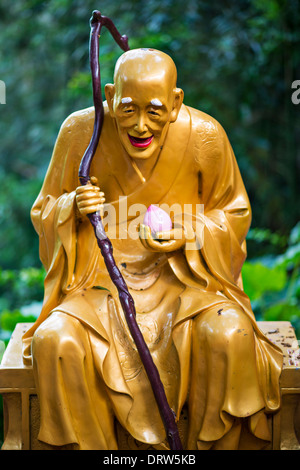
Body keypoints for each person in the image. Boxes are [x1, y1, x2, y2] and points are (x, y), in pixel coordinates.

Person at [22, 48, 282, 450]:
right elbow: (43, 211)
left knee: (228, 333)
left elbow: (234, 212)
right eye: (127, 110)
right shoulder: (79, 132)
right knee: (55, 340)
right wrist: (70, 207)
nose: (140, 126)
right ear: (109, 96)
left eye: (155, 111)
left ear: (176, 103)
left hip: (187, 281)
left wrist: (189, 232)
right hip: (100, 285)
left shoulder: (205, 136)